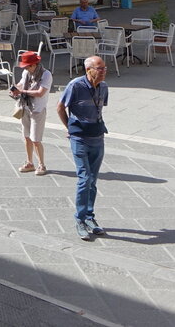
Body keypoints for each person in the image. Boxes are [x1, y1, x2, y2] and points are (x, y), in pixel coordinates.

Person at [57, 55, 109, 241]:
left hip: (98, 137)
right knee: (84, 178)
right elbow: (60, 107)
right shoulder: (75, 86)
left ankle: (89, 217)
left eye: (104, 68)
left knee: (93, 180)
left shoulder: (104, 87)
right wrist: (69, 128)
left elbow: (99, 110)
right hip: (79, 138)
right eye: (99, 68)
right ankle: (79, 219)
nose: (104, 71)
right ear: (88, 70)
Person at [11, 50, 52, 175]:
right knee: (27, 137)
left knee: (36, 139)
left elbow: (40, 93)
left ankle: (41, 165)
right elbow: (21, 84)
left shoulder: (46, 75)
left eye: (27, 66)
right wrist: (15, 89)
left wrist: (22, 92)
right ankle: (29, 162)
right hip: (26, 107)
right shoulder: (26, 72)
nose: (26, 69)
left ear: (34, 65)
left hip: (38, 110)